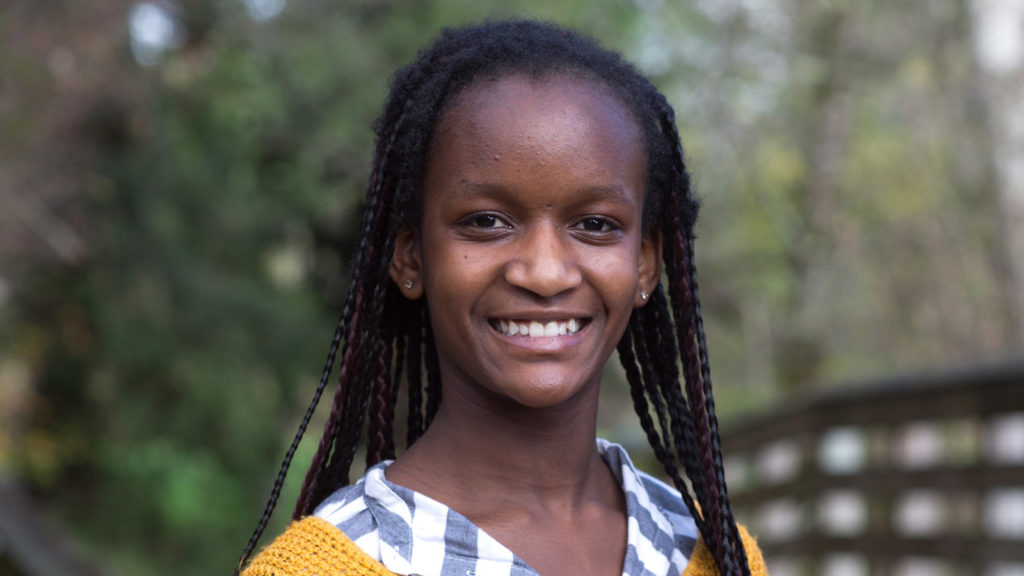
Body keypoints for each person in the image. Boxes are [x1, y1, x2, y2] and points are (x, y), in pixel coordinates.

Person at [235, 19, 766, 576]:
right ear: (411, 257)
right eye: (487, 222)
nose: (544, 273)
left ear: (646, 264)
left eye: (595, 224)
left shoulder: (718, 555)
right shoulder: (318, 569)